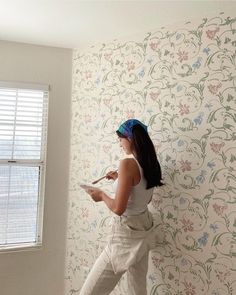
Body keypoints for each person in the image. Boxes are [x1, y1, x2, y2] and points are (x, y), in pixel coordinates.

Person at [80, 119, 163, 295]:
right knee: (137, 290)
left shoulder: (127, 163)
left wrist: (101, 195)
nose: (119, 144)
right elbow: (144, 200)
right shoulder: (150, 163)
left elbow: (119, 208)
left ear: (130, 138)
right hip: (144, 227)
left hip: (125, 234)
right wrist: (121, 179)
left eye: (120, 139)